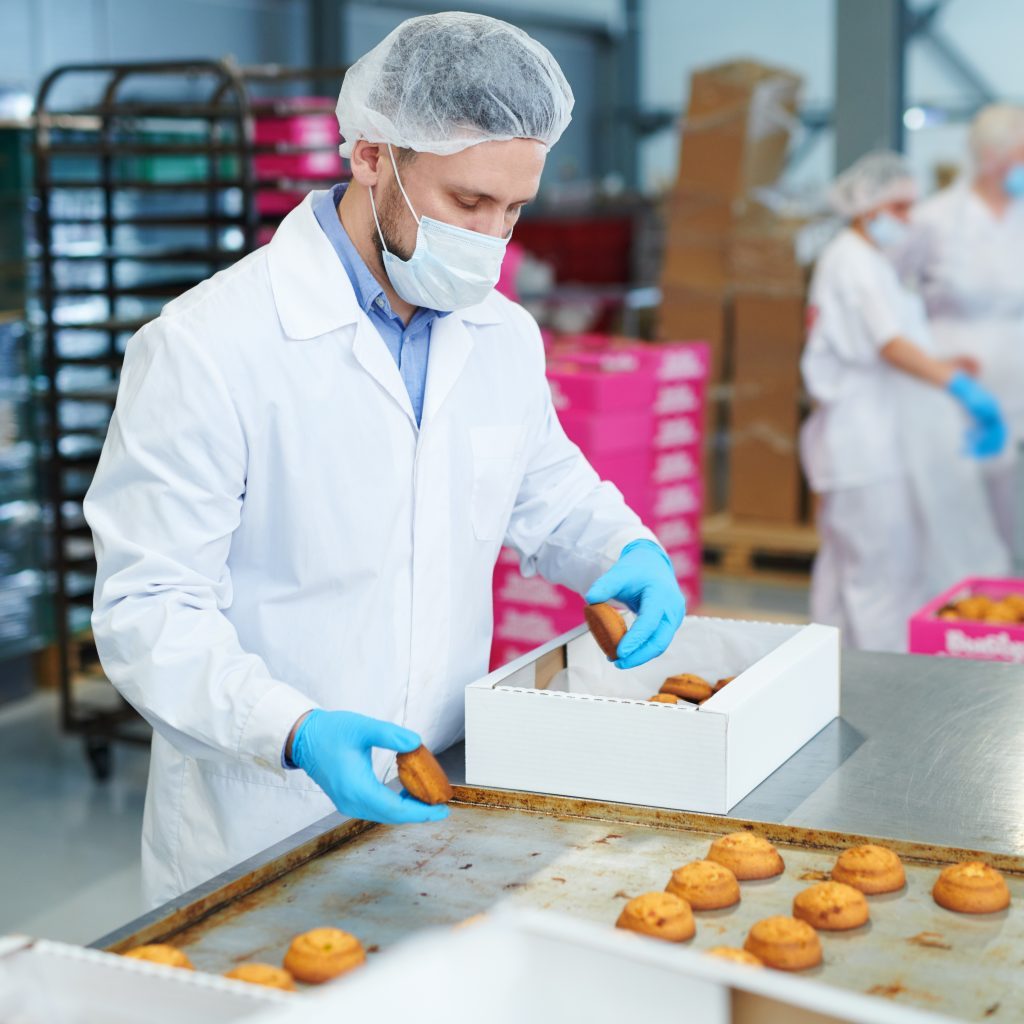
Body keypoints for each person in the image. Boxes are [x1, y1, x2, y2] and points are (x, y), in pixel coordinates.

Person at [84, 12, 686, 907]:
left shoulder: (502, 335)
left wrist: (620, 550)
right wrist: (293, 729)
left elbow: (544, 488)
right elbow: (149, 607)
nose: (490, 239)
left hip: (442, 786)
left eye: (514, 210)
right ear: (372, 155)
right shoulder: (210, 347)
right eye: (468, 203)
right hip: (264, 809)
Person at [800, 151, 1010, 652]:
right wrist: (954, 385)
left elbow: (895, 339)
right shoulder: (849, 261)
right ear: (866, 205)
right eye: (898, 207)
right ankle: (882, 683)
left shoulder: (871, 261)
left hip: (876, 441)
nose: (907, 220)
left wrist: (949, 363)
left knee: (849, 569)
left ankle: (835, 669)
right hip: (863, 447)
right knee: (880, 576)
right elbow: (889, 344)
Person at [898, 104, 1024, 555]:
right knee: (955, 511)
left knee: (1008, 509)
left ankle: (1003, 607)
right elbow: (891, 297)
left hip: (1015, 378)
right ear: (993, 157)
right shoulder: (935, 218)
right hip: (954, 380)